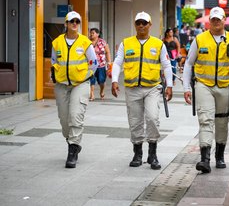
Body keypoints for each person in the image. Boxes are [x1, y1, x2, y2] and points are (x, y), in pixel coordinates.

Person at [183, 6, 229, 173]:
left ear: (224, 20)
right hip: (203, 85)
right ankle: (204, 159)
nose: (215, 22)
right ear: (209, 21)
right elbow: (189, 63)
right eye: (212, 19)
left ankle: (219, 156)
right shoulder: (199, 40)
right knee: (205, 119)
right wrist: (186, 87)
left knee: (222, 121)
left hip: (225, 87)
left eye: (218, 19)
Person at [111, 11, 173, 170]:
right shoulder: (126, 43)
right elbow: (118, 62)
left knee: (152, 118)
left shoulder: (158, 44)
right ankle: (137, 153)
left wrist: (170, 85)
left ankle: (153, 154)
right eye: (138, 23)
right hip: (132, 89)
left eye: (144, 23)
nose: (141, 26)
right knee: (135, 121)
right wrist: (114, 80)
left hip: (152, 87)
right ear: (135, 25)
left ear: (150, 25)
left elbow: (166, 65)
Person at [51, 11, 98, 168]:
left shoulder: (85, 42)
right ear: (66, 24)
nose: (75, 23)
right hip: (62, 85)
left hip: (80, 84)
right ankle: (72, 141)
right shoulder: (57, 42)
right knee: (64, 120)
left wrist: (85, 76)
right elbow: (53, 61)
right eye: (71, 21)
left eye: (77, 21)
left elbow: (94, 63)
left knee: (75, 115)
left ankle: (72, 150)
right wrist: (55, 75)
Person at [89, 28, 111, 101]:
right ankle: (91, 94)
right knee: (91, 80)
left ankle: (102, 90)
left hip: (101, 65)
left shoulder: (102, 42)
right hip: (91, 65)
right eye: (90, 33)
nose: (91, 34)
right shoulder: (87, 42)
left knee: (101, 81)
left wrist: (109, 62)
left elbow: (107, 52)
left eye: (93, 33)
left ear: (97, 34)